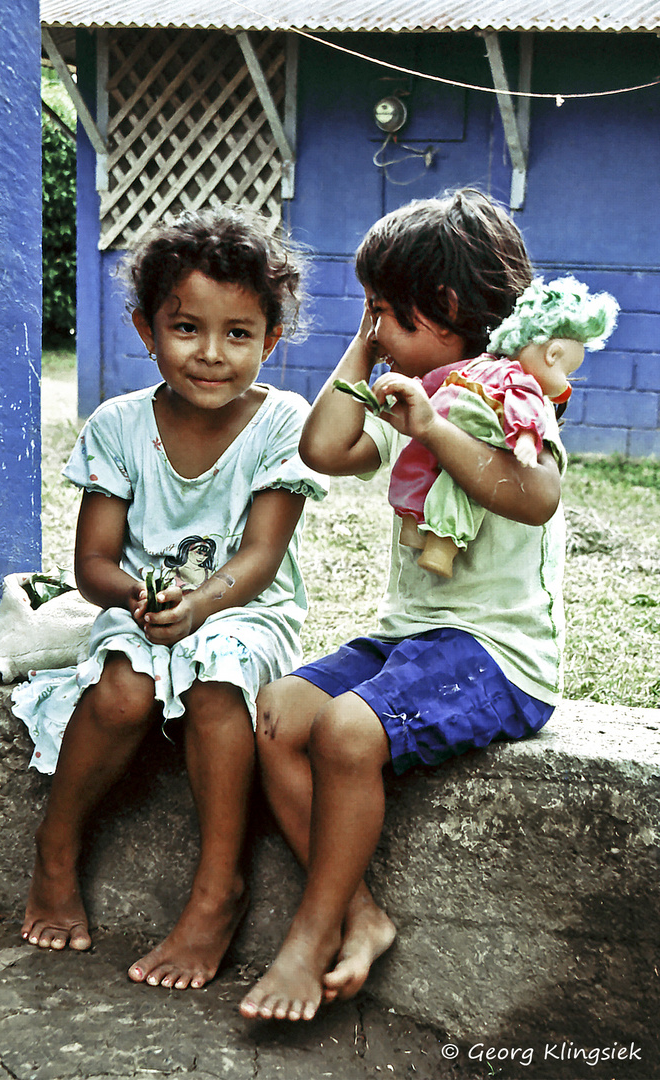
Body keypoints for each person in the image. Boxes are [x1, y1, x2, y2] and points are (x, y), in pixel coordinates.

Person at [239, 188, 570, 1022]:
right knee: (279, 711)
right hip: (411, 637)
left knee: (348, 729)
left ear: (447, 308)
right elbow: (324, 448)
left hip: (498, 657)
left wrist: (431, 428)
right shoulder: (413, 383)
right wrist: (368, 340)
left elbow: (533, 497)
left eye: (385, 310)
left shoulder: (509, 394)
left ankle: (310, 937)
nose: (376, 328)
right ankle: (360, 912)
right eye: (371, 312)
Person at [12, 207, 327, 991]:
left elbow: (259, 558)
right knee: (122, 688)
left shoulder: (284, 423)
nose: (212, 355)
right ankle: (56, 848)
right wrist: (144, 595)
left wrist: (201, 607)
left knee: (219, 679)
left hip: (248, 611)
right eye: (187, 328)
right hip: (145, 605)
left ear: (271, 340)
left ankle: (217, 892)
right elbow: (93, 564)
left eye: (240, 334)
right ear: (145, 329)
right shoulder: (121, 426)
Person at [389, 275, 619, 576]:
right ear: (553, 355)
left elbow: (443, 378)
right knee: (426, 471)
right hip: (450, 424)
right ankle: (418, 530)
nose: (566, 381)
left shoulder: (485, 367)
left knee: (443, 482)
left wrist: (525, 439)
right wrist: (525, 436)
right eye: (567, 370)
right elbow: (522, 409)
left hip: (454, 424)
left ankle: (436, 545)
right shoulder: (521, 382)